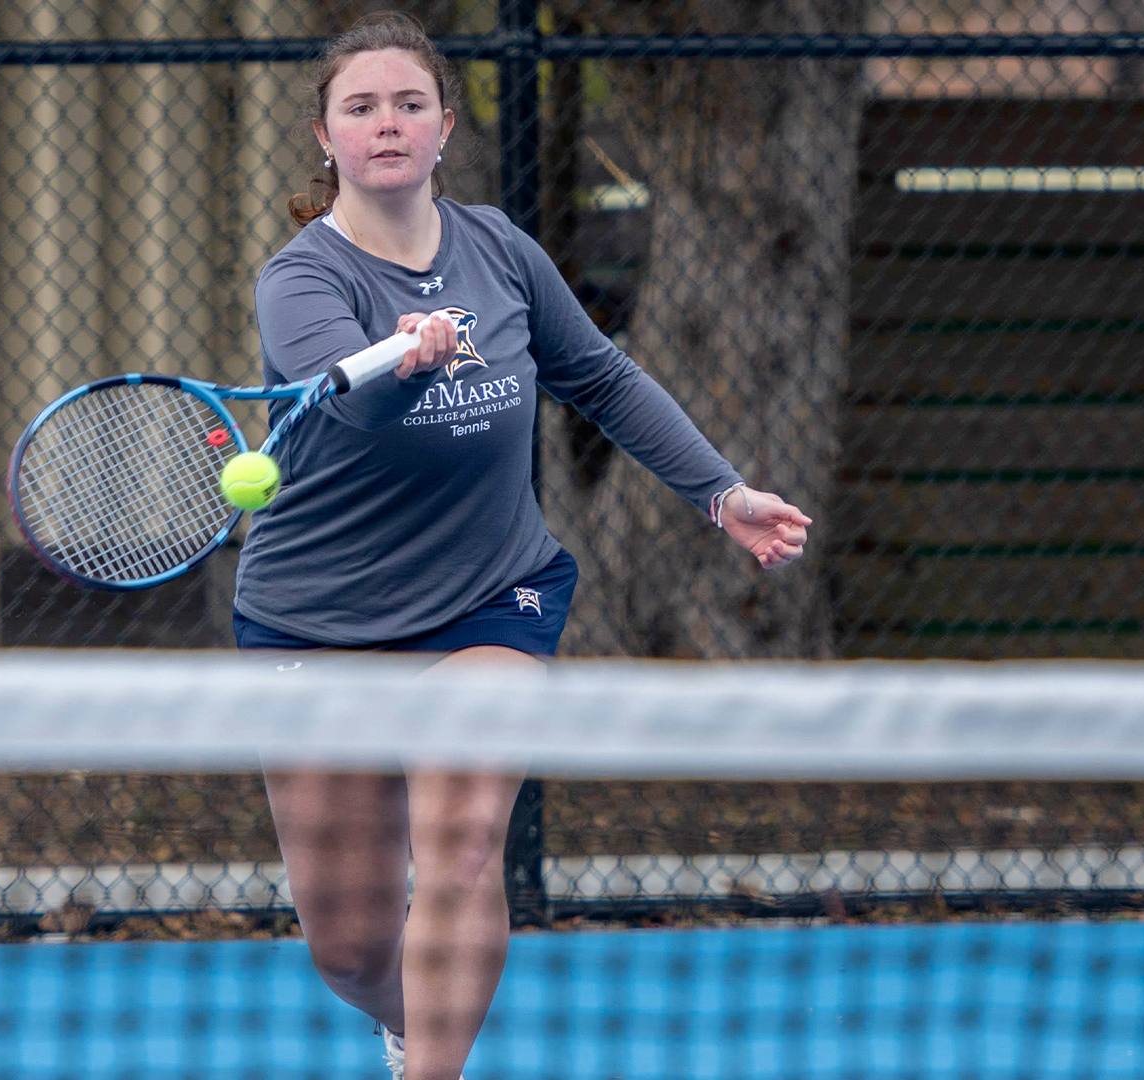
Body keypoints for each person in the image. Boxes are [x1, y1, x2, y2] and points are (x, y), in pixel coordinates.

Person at [231, 12, 812, 1079]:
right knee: (351, 942)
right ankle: (405, 1015)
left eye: (409, 102)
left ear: (446, 125)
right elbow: (348, 408)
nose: (387, 123)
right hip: (316, 620)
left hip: (491, 599)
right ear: (326, 136)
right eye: (360, 107)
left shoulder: (501, 249)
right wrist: (403, 360)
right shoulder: (300, 281)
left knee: (460, 842)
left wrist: (719, 493)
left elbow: (600, 375)